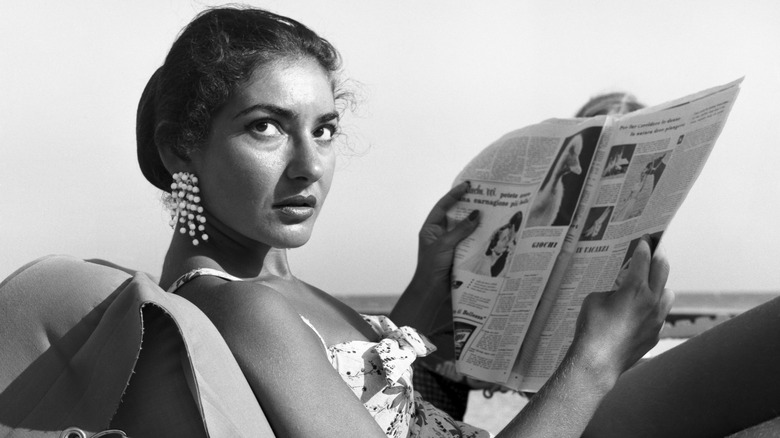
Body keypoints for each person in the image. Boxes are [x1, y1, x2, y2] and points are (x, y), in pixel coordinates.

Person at [135, 7, 779, 438]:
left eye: (325, 129)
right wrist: (596, 358)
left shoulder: (262, 287)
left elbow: (389, 408)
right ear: (178, 147)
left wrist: (429, 284)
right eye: (266, 127)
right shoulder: (243, 309)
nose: (309, 165)